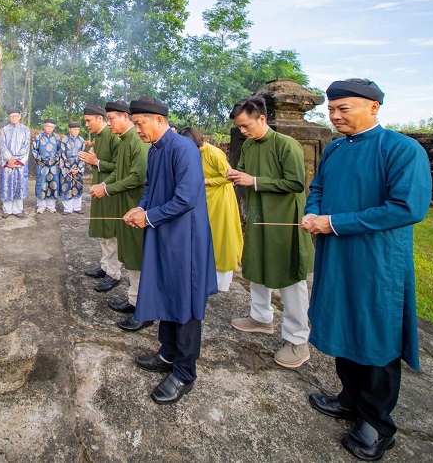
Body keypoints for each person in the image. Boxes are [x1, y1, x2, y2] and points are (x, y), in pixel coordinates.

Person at [301, 79, 431, 461]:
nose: (335, 116)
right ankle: (349, 398)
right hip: (337, 254)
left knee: (376, 331)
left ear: (374, 107)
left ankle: (377, 422)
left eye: (345, 108)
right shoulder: (336, 148)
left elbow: (407, 207)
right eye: (331, 110)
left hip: (377, 259)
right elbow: (319, 187)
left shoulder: (402, 149)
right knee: (343, 322)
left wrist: (335, 222)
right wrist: (313, 211)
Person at [122, 97, 217, 404]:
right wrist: (141, 207)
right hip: (163, 232)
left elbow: (186, 198)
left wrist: (149, 217)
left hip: (184, 239)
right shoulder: (155, 150)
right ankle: (167, 353)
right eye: (135, 124)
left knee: (185, 300)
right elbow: (150, 187)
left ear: (159, 121)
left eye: (140, 124)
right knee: (165, 290)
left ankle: (185, 372)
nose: (138, 130)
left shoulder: (182, 148)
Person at [226, 95, 314, 370]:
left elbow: (296, 183)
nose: (243, 132)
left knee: (290, 277)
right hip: (257, 215)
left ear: (261, 118)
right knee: (256, 265)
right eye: (239, 127)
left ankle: (297, 338)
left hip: (282, 219)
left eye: (246, 126)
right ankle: (261, 317)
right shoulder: (250, 147)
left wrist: (255, 181)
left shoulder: (287, 145)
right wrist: (234, 176)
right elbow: (244, 173)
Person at [89, 100, 148, 329]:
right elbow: (119, 172)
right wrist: (104, 186)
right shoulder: (124, 140)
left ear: (126, 116)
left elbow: (137, 177)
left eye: (112, 118)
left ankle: (143, 308)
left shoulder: (136, 141)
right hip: (125, 205)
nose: (109, 123)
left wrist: (107, 188)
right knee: (130, 255)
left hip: (137, 206)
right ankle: (134, 299)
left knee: (138, 257)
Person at [179, 127, 242, 292]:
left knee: (221, 237)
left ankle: (222, 282)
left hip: (220, 200)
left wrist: (206, 181)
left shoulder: (213, 153)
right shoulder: (195, 153)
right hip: (206, 200)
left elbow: (228, 177)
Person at [80, 104, 122, 292]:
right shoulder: (99, 137)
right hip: (100, 188)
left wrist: (96, 162)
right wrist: (94, 161)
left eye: (89, 120)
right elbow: (102, 163)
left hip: (111, 191)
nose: (86, 124)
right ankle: (105, 267)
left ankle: (114, 273)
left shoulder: (114, 137)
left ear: (100, 118)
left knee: (111, 232)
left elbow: (120, 168)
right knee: (103, 230)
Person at [0, 108, 30, 218]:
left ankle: (18, 209)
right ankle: (7, 210)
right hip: (7, 163)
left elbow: (26, 147)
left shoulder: (26, 130)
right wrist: (9, 159)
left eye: (16, 116)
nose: (13, 118)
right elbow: (2, 146)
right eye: (11, 116)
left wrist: (15, 160)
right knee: (7, 184)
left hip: (19, 163)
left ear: (20, 117)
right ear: (9, 118)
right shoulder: (4, 130)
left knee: (19, 185)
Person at [32, 119, 62, 214]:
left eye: (51, 127)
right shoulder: (38, 137)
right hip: (42, 165)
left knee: (53, 184)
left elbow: (60, 151)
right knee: (42, 184)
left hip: (53, 166)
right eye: (47, 126)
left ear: (54, 128)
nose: (49, 128)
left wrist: (55, 159)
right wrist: (41, 159)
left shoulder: (57, 138)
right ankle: (41, 206)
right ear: (44, 126)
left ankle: (51, 206)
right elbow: (34, 150)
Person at [59, 121, 86, 215]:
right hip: (67, 168)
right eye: (74, 129)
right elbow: (62, 155)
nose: (76, 131)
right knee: (66, 187)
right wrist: (69, 168)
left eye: (78, 129)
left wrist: (78, 168)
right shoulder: (64, 140)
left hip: (78, 167)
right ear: (69, 129)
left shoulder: (82, 140)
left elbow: (83, 155)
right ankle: (67, 208)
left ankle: (77, 207)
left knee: (77, 187)